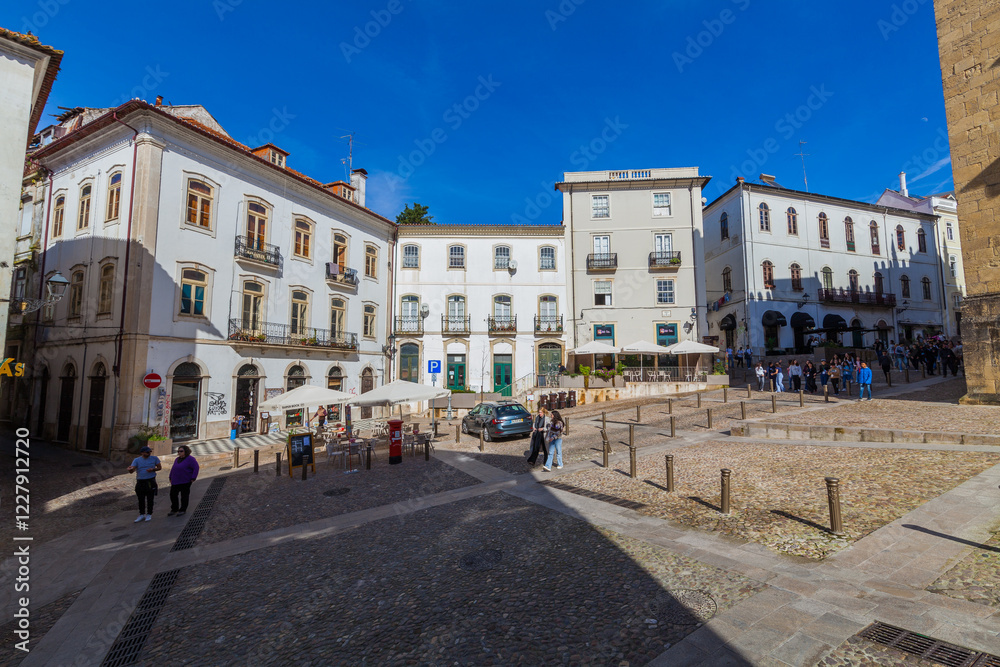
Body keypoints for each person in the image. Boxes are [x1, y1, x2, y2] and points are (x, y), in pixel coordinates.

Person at [128, 446, 161, 522]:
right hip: (140, 481)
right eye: (147, 452)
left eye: (149, 452)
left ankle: (149, 513)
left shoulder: (154, 458)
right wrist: (130, 469)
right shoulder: (137, 460)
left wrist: (153, 469)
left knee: (150, 498)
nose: (149, 453)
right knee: (141, 499)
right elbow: (132, 470)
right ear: (142, 453)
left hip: (150, 480)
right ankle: (141, 514)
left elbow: (159, 467)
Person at [168, 445, 200, 516]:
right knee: (173, 495)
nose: (179, 452)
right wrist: (170, 477)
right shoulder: (177, 459)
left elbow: (196, 468)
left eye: (181, 451)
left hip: (185, 480)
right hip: (175, 480)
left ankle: (182, 509)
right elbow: (173, 468)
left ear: (186, 451)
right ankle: (174, 509)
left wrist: (193, 478)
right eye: (178, 451)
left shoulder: (190, 459)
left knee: (184, 496)